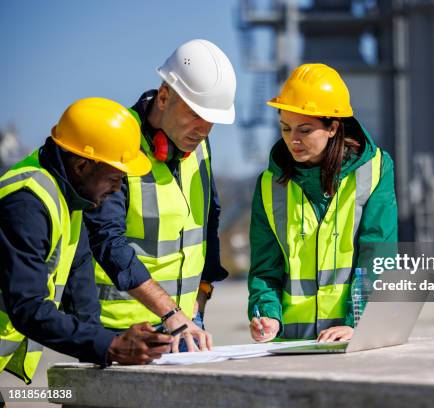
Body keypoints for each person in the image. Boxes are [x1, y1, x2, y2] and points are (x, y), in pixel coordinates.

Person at [0, 98, 173, 385]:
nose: (118, 188)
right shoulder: (27, 204)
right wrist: (111, 346)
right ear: (82, 165)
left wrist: (105, 346)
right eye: (115, 177)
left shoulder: (71, 198)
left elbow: (81, 292)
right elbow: (28, 307)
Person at [84, 39, 236, 352]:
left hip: (185, 325)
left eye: (212, 120)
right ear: (164, 96)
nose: (203, 129)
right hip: (122, 330)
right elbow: (107, 241)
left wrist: (203, 291)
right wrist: (169, 311)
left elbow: (209, 222)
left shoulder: (199, 145)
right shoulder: (117, 142)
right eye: (195, 113)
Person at [247, 63, 398, 342]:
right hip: (290, 345)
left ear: (333, 127)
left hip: (352, 340)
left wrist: (360, 323)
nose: (293, 140)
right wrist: (266, 315)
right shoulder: (269, 185)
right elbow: (265, 268)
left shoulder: (375, 170)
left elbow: (378, 255)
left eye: (305, 130)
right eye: (285, 128)